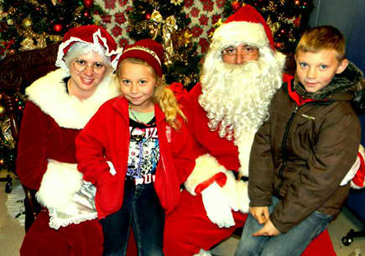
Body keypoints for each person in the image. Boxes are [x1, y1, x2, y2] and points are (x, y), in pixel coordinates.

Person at [163, 5, 361, 256]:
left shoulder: (294, 89)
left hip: (285, 190)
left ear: (264, 54)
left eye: (248, 49)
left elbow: (331, 126)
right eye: (229, 50)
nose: (238, 59)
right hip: (225, 188)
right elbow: (181, 143)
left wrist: (353, 155)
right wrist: (207, 180)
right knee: (171, 235)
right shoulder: (203, 94)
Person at [234, 25, 365, 256]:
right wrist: (259, 198)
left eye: (323, 66)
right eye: (304, 65)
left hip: (316, 203)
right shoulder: (284, 95)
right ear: (295, 60)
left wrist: (281, 221)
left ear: (341, 66)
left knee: (273, 254)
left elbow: (320, 179)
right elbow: (263, 144)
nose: (311, 75)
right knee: (246, 247)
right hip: (276, 188)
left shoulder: (342, 119)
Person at [75, 39, 195, 256]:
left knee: (153, 250)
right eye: (126, 81)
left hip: (152, 190)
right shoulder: (110, 111)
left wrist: (169, 179)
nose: (134, 90)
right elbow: (86, 144)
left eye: (142, 82)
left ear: (157, 81)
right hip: (115, 187)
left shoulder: (169, 116)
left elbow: (185, 156)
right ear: (118, 81)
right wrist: (102, 176)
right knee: (114, 248)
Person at [16, 24, 121, 256]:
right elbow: (28, 166)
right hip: (61, 191)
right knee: (78, 242)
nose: (89, 72)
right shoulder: (42, 101)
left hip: (106, 186)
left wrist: (106, 181)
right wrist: (63, 190)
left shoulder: (116, 101)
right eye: (81, 62)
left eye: (98, 65)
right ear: (68, 60)